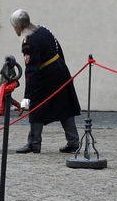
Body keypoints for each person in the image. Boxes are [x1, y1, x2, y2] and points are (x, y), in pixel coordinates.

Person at [10, 9, 81, 153]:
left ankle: (34, 143)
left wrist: (26, 98)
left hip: (45, 75)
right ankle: (73, 142)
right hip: (60, 70)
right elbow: (58, 49)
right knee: (65, 107)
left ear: (18, 27)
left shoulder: (28, 42)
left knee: (36, 107)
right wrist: (60, 68)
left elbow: (31, 71)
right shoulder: (44, 30)